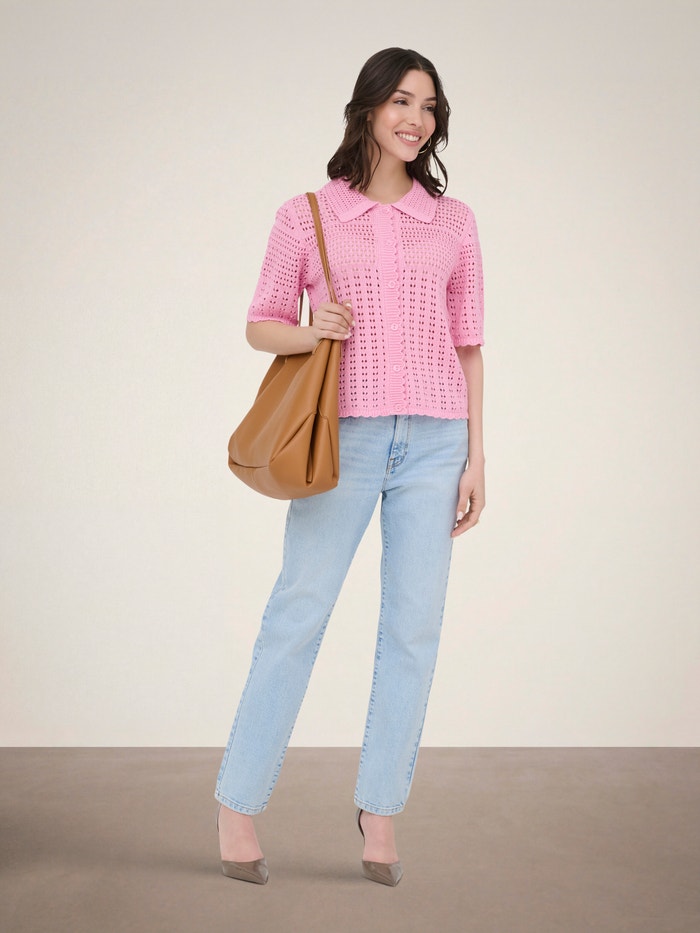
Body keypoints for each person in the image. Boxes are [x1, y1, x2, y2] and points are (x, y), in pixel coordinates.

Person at [215, 47, 485, 887]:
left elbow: (468, 346)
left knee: (414, 626)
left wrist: (477, 454)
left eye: (429, 107)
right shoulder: (308, 216)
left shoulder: (454, 221)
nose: (416, 119)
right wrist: (313, 329)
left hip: (437, 440)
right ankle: (238, 801)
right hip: (346, 437)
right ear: (367, 108)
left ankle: (381, 808)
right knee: (298, 612)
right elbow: (261, 323)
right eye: (401, 101)